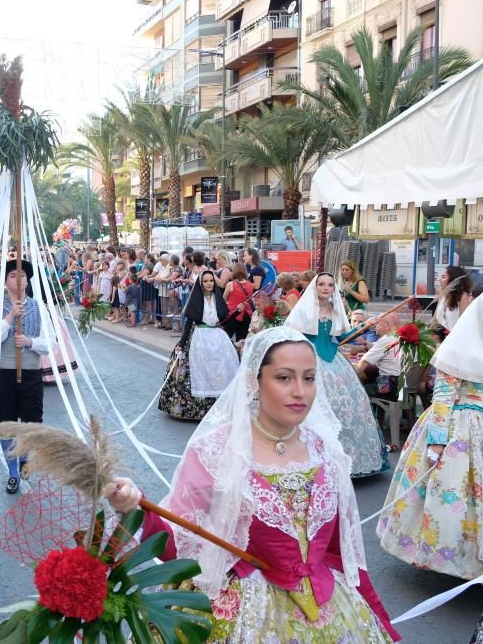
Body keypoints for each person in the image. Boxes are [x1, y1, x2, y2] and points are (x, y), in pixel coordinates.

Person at [109, 327, 401, 643]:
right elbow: (178, 544)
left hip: (331, 608)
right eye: (284, 378)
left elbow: (342, 554)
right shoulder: (217, 451)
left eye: (309, 378)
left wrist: (383, 624)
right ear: (253, 381)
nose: (300, 392)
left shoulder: (327, 453)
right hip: (242, 614)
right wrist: (135, 507)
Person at [377, 294, 483, 580]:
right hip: (461, 425)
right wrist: (437, 440)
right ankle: (457, 560)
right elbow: (444, 395)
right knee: (455, 494)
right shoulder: (461, 348)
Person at [285, 273, 390, 478]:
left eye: (330, 285)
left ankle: (344, 459)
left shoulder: (335, 309)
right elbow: (293, 335)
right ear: (315, 287)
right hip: (310, 361)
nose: (325, 288)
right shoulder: (305, 309)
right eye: (321, 284)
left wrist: (365, 326)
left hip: (334, 362)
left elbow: (342, 336)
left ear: (334, 288)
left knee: (345, 406)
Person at [0, 259, 50, 494]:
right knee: (6, 423)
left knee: (32, 422)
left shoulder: (40, 308)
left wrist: (30, 342)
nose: (18, 278)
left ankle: (24, 459)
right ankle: (12, 472)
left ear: (28, 280)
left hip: (30, 371)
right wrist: (10, 318)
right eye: (12, 275)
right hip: (2, 372)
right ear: (4, 281)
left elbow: (51, 344)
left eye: (22, 275)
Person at [159, 271, 239, 422]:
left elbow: (224, 319)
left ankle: (220, 408)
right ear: (201, 284)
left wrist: (236, 312)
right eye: (206, 281)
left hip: (218, 338)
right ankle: (196, 410)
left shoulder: (218, 298)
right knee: (198, 371)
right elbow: (189, 323)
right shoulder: (196, 299)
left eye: (211, 281)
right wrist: (181, 344)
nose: (209, 283)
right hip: (199, 338)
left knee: (219, 371)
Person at [355, 315, 403, 401]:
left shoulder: (387, 339)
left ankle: (367, 414)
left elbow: (364, 362)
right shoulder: (398, 337)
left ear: (386, 325)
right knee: (368, 382)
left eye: (377, 323)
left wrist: (350, 375)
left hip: (388, 386)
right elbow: (377, 349)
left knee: (356, 390)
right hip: (398, 384)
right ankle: (377, 414)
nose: (374, 326)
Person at [432, 265, 472, 332]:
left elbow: (465, 323)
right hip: (442, 339)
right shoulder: (444, 296)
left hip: (455, 338)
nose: (439, 280)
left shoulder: (463, 296)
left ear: (453, 280)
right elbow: (436, 320)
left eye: (443, 277)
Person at [223, 263, 254, 342]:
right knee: (241, 340)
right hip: (246, 315)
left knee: (226, 338)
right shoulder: (250, 284)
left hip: (233, 314)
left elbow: (223, 299)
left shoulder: (230, 284)